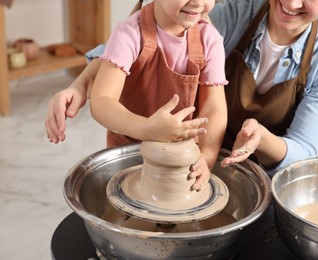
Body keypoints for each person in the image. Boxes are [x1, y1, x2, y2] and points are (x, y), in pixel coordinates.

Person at [46, 0, 318, 177]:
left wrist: (258, 141)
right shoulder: (234, 14)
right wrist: (82, 84)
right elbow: (129, 48)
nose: (291, 3)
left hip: (270, 171)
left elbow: (303, 147)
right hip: (204, 149)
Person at [47, 0, 229, 191]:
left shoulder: (209, 39)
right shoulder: (129, 33)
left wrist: (207, 157)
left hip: (183, 159)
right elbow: (102, 101)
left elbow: (213, 108)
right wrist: (147, 128)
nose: (198, 2)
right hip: (129, 153)